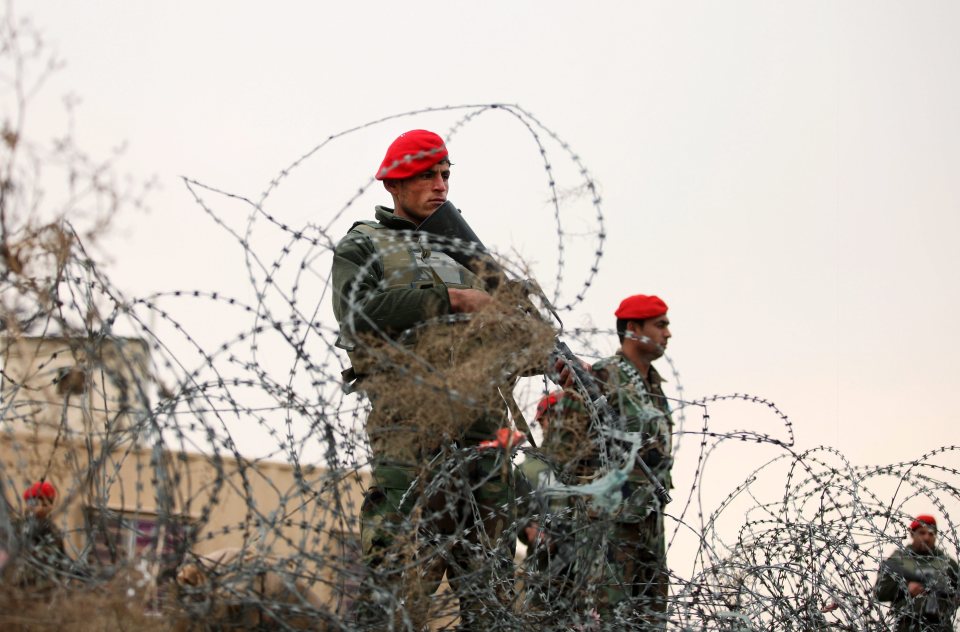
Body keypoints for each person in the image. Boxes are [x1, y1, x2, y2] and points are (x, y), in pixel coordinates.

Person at [330, 130, 520, 629]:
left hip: (480, 437)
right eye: (428, 175)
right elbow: (356, 314)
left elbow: (518, 335)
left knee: (492, 593)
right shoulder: (365, 244)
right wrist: (451, 300)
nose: (441, 185)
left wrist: (521, 326)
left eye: (446, 174)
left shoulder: (467, 253)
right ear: (394, 183)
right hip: (411, 435)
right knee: (396, 584)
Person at [588, 294, 674, 626]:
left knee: (652, 618)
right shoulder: (605, 375)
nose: (667, 334)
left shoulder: (653, 384)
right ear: (634, 329)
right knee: (614, 616)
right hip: (617, 518)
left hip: (650, 515)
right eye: (660, 325)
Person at [876, 514, 959, 631]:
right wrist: (905, 588)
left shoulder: (947, 564)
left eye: (931, 534)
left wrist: (946, 603)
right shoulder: (898, 561)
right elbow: (880, 592)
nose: (926, 538)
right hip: (907, 625)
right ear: (912, 534)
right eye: (922, 533)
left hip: (940, 625)